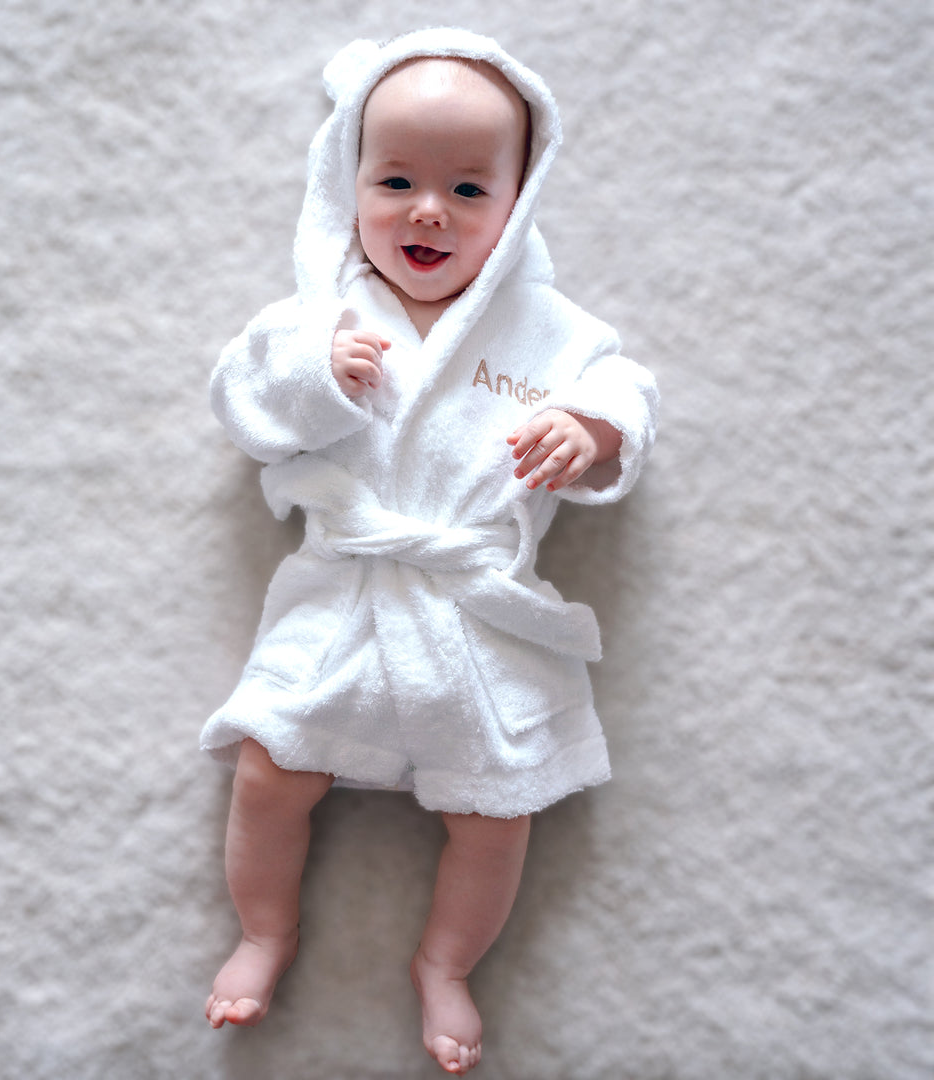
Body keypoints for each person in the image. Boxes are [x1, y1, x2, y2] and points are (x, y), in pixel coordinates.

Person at [201, 28, 658, 1076]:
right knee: (268, 774)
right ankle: (266, 931)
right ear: (347, 180)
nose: (427, 211)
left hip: (474, 614)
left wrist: (591, 435)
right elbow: (243, 398)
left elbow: (626, 390)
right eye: (396, 178)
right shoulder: (318, 315)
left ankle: (446, 963)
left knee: (497, 816)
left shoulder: (551, 332)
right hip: (344, 597)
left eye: (467, 187)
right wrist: (315, 372)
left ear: (518, 199)